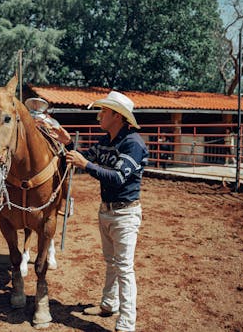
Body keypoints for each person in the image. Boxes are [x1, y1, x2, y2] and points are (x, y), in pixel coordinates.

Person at [51, 91, 148, 332]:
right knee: (111, 262)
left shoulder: (133, 144)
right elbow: (86, 157)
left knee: (124, 267)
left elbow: (118, 177)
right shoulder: (107, 140)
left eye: (104, 111)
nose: (100, 115)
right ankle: (108, 304)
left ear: (117, 115)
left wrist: (86, 165)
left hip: (125, 214)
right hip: (107, 211)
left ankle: (126, 324)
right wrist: (69, 145)